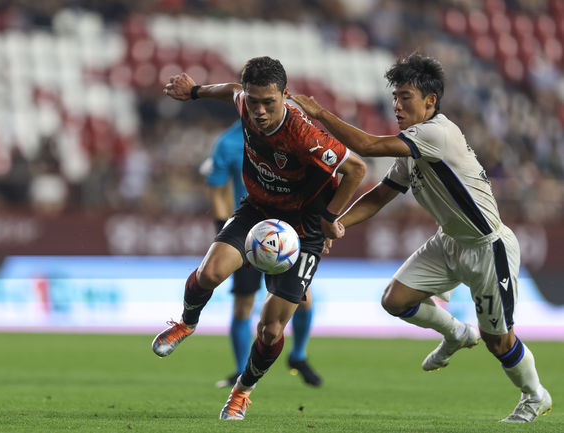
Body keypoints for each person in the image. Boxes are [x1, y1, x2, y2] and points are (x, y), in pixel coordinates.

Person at [290, 52, 552, 423]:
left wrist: (319, 114)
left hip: (487, 247)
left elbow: (367, 146)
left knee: (499, 341)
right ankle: (456, 333)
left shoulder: (437, 134)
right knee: (395, 300)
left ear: (430, 101)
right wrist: (338, 223)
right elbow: (381, 194)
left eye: (405, 97)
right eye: (395, 97)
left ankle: (534, 395)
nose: (397, 105)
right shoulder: (413, 145)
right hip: (449, 242)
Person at [153, 56, 367, 420]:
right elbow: (232, 91)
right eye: (255, 102)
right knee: (209, 274)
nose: (261, 110)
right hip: (257, 210)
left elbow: (357, 169)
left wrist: (330, 218)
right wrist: (195, 93)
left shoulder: (305, 134)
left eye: (270, 102)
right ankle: (187, 323)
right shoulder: (244, 101)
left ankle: (242, 391)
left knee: (269, 329)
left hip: (304, 228)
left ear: (286, 95)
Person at [202, 119, 322, 388]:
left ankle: (298, 356)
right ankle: (240, 369)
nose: (259, 109)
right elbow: (217, 188)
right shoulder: (228, 142)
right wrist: (223, 229)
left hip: (287, 232)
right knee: (243, 303)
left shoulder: (293, 134)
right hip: (248, 233)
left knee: (303, 298)